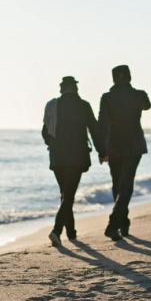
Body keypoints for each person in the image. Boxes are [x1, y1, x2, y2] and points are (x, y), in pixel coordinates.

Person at [42, 76, 105, 247]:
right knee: (68, 195)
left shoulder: (52, 106)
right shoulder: (83, 106)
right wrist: (102, 152)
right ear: (75, 88)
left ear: (62, 89)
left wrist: (54, 145)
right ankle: (56, 231)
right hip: (76, 157)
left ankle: (71, 233)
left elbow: (45, 133)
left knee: (65, 194)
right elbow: (95, 130)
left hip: (57, 157)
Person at [98, 65, 151, 241]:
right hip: (133, 145)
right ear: (129, 77)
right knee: (126, 185)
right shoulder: (138, 95)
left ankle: (122, 222)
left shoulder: (107, 97)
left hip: (114, 145)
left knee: (117, 184)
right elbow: (148, 106)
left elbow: (102, 124)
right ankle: (116, 223)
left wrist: (102, 150)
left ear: (114, 79)